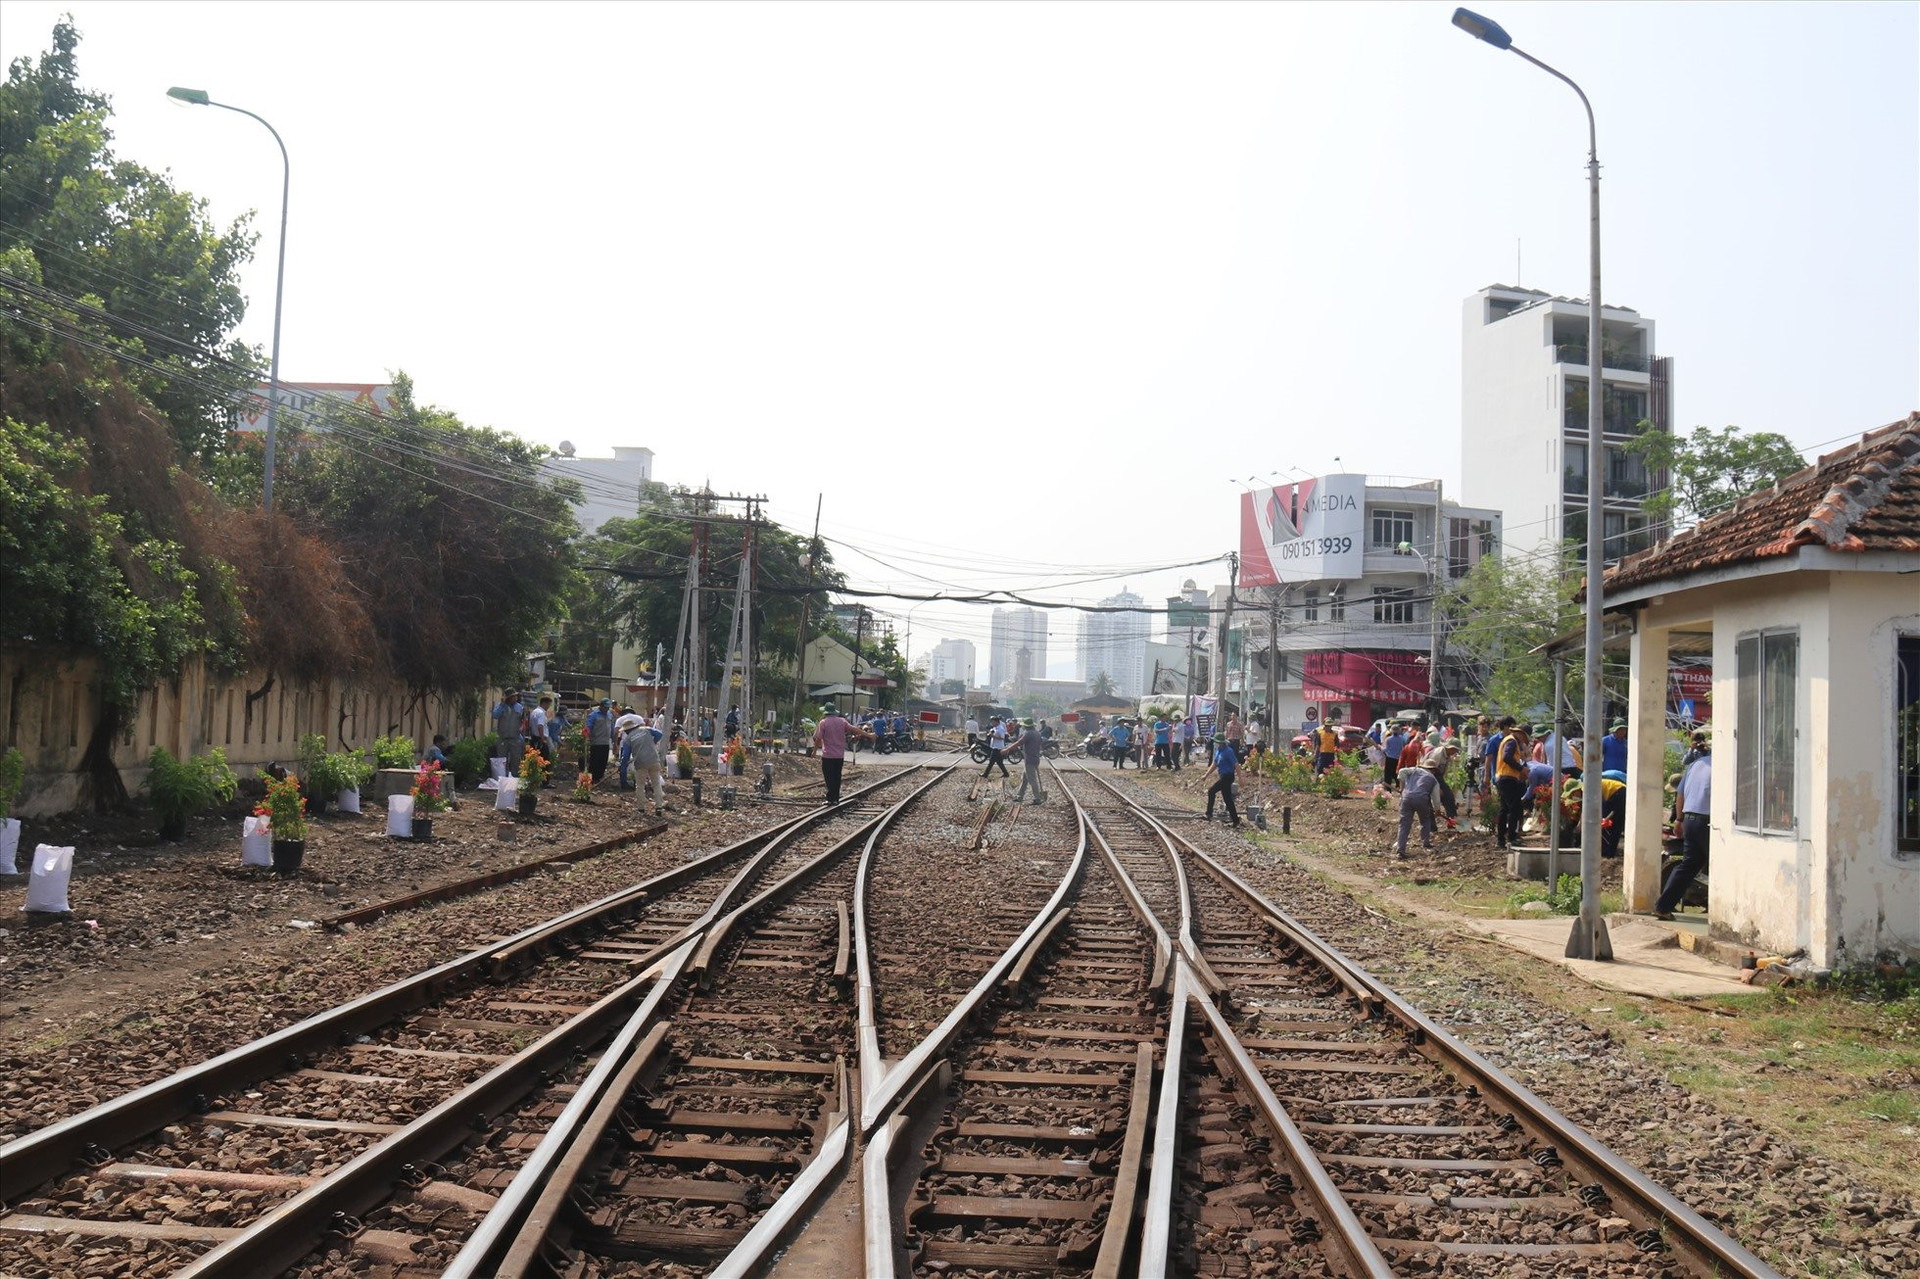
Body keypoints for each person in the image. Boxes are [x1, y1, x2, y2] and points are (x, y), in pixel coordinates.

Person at [1656, 735, 1712, 918]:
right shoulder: (1721, 765)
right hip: (1707, 820)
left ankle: (1663, 906)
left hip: (1690, 818)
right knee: (1716, 865)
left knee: (1689, 865)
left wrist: (1679, 820)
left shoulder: (1694, 766)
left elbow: (1680, 795)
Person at [1493, 717, 1529, 850]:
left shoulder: (1507, 740)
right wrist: (1521, 769)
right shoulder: (1512, 741)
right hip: (1507, 778)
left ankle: (1501, 840)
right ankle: (1512, 838)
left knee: (1504, 809)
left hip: (1502, 778)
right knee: (1514, 808)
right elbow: (1507, 757)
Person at [814, 706, 859, 803]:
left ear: (825, 713)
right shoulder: (842, 721)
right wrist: (869, 735)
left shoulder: (823, 723)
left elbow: (818, 738)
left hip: (828, 756)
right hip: (839, 756)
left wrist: (814, 752)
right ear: (834, 712)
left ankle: (831, 798)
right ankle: (836, 798)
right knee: (837, 776)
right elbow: (854, 729)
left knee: (829, 777)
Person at [1396, 759, 1440, 857]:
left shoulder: (1414, 770)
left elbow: (1401, 771)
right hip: (1421, 799)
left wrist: (1401, 787)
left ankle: (1400, 849)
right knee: (1425, 820)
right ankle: (1425, 842)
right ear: (1433, 770)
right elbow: (1436, 798)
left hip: (1406, 798)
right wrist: (1437, 809)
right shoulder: (1433, 780)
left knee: (1404, 824)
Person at [630, 717, 667, 815]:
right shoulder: (646, 729)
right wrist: (653, 742)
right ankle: (659, 806)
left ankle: (641, 808)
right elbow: (659, 734)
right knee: (656, 784)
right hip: (654, 760)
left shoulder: (628, 738)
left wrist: (623, 765)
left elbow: (625, 755)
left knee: (640, 785)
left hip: (640, 763)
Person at [1203, 733, 1241, 827]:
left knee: (1211, 791)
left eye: (1217, 742)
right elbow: (1215, 764)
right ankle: (1235, 820)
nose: (1215, 744)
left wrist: (1241, 778)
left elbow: (1236, 764)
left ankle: (1208, 813)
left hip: (1228, 776)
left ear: (1221, 743)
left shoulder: (1228, 751)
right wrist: (1206, 775)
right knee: (1227, 799)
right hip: (1223, 776)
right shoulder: (1218, 751)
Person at [1015, 718, 1047, 804]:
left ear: (1026, 726)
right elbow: (1040, 743)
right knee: (1024, 779)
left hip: (1029, 760)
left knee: (1032, 780)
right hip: (1035, 759)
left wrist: (1006, 750)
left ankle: (1037, 798)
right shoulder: (1037, 733)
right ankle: (1019, 796)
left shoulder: (1028, 733)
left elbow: (1019, 743)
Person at [493, 691, 525, 775]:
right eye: (513, 697)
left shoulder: (520, 707)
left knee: (516, 760)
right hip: (503, 738)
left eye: (516, 696)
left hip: (515, 738)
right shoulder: (501, 706)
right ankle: (503, 778)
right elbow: (495, 715)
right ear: (508, 698)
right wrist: (502, 704)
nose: (515, 698)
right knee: (502, 760)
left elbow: (523, 721)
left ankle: (515, 779)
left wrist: (522, 729)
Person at [614, 704, 645, 789]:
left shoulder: (620, 719)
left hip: (626, 742)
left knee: (624, 763)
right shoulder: (639, 718)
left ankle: (623, 783)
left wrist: (615, 746)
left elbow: (616, 732)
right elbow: (644, 730)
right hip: (637, 742)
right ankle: (638, 783)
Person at [586, 698, 616, 783]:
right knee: (595, 761)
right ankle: (592, 778)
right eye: (605, 707)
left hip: (606, 742)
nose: (606, 709)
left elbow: (612, 728)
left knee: (603, 761)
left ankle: (599, 777)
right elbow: (588, 727)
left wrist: (614, 740)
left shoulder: (609, 715)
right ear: (601, 706)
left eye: (608, 708)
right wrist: (587, 737)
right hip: (596, 741)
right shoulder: (594, 715)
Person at [1381, 723, 1409, 791]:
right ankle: (1400, 787)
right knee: (1397, 773)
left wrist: (1380, 748)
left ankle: (1388, 790)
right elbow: (1404, 747)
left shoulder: (1389, 739)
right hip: (1398, 759)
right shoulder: (1402, 739)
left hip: (1389, 759)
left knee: (1388, 775)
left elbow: (1386, 749)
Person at [983, 715, 1011, 779]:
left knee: (991, 762)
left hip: (998, 748)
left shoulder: (1000, 729)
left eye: (993, 722)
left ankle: (985, 774)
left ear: (997, 722)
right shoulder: (995, 728)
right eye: (992, 722)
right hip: (994, 746)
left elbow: (1002, 737)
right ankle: (1006, 774)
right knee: (999, 762)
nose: (992, 723)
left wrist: (993, 736)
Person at [529, 696, 552, 766]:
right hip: (540, 739)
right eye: (548, 704)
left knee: (535, 759)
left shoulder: (534, 712)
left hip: (534, 737)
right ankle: (545, 775)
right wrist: (543, 739)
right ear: (544, 703)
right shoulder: (541, 713)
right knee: (544, 759)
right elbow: (540, 726)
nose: (549, 707)